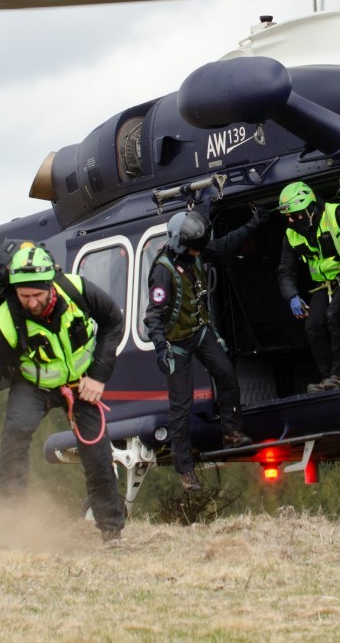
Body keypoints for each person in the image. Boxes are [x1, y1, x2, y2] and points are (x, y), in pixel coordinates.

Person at [0, 242, 126, 543]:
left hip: (81, 382)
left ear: (50, 285)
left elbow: (114, 321)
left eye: (37, 294)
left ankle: (112, 530)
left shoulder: (75, 289)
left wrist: (98, 377)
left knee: (97, 453)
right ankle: (12, 515)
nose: (32, 302)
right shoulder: (7, 321)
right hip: (33, 383)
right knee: (16, 431)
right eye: (24, 296)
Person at [144, 209, 259, 492]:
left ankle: (232, 431)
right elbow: (153, 317)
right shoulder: (163, 271)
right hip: (177, 344)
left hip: (200, 331)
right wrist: (161, 348)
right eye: (195, 248)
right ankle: (185, 470)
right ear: (181, 244)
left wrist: (253, 224)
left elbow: (224, 245)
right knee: (180, 408)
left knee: (226, 373)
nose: (199, 252)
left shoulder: (195, 249)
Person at [276, 181, 340, 393]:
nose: (292, 221)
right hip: (324, 285)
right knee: (313, 326)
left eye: (296, 215)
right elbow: (286, 270)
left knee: (335, 315)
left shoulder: (336, 212)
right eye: (288, 217)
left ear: (311, 208)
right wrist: (292, 296)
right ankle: (326, 378)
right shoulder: (291, 234)